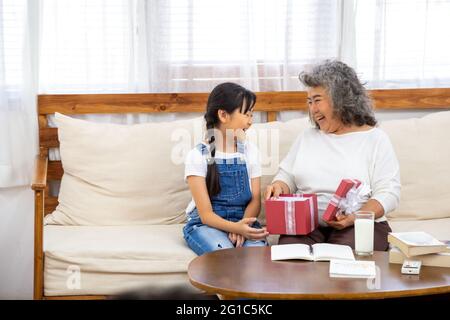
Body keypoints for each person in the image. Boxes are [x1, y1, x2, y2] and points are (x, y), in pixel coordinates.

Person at [265, 60, 401, 250]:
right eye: (309, 102)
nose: (313, 109)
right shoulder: (307, 137)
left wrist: (355, 217)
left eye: (318, 100)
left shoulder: (375, 139)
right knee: (291, 257)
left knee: (341, 261)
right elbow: (286, 174)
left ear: (341, 99)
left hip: (358, 224)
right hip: (307, 225)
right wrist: (279, 185)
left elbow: (389, 192)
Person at [183, 82, 268, 255]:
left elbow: (255, 201)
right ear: (223, 115)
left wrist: (242, 226)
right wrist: (236, 228)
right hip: (206, 224)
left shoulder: (251, 152)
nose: (250, 122)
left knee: (257, 257)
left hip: (244, 221)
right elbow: (206, 214)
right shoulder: (197, 156)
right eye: (246, 114)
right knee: (225, 255)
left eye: (252, 115)